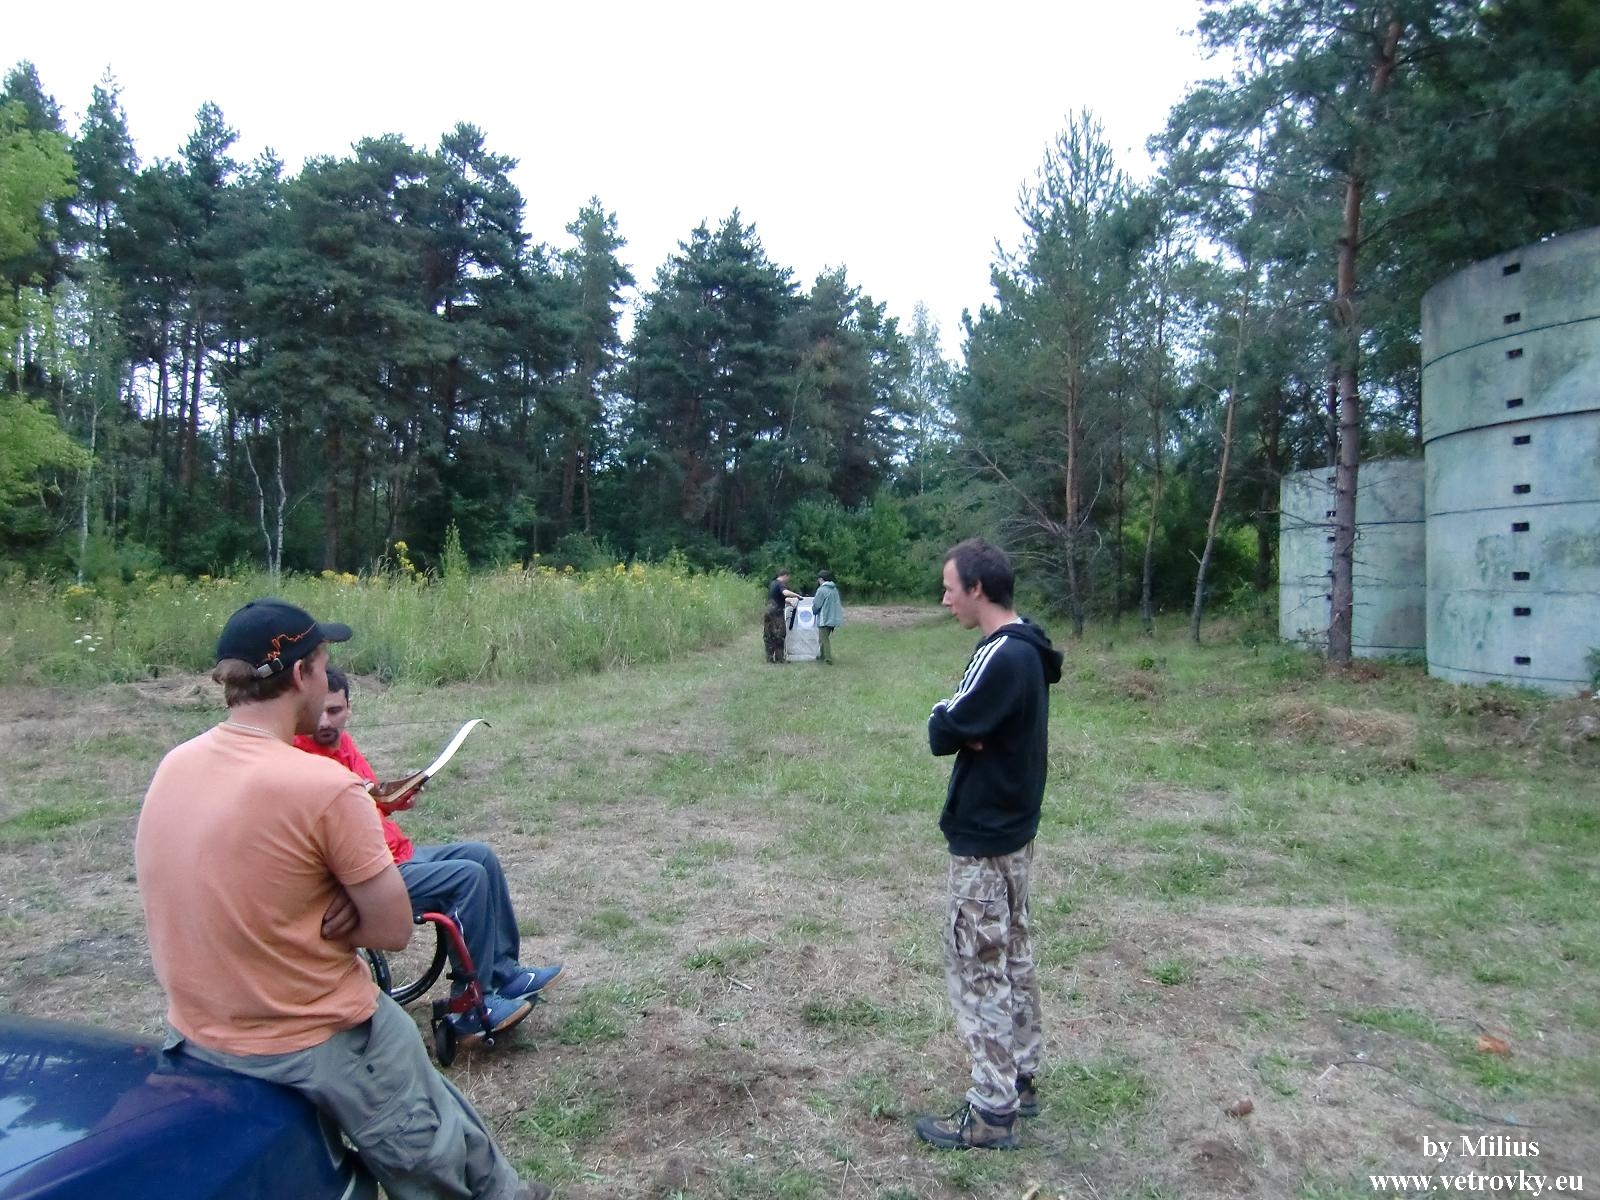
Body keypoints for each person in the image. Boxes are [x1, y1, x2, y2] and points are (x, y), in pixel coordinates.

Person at [135, 598, 551, 1200]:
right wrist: (341, 903)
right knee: (425, 1119)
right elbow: (392, 929)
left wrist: (310, 894)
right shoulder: (324, 785)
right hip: (307, 1034)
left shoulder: (176, 764)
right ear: (302, 673)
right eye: (323, 664)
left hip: (197, 1028)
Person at [295, 665, 563, 1033]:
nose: (326, 721)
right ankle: (470, 1006)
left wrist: (396, 799)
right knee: (468, 878)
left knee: (480, 855)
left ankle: (504, 973)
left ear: (349, 709)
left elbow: (369, 799)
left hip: (395, 852)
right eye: (319, 712)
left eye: (335, 711)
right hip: (371, 870)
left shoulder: (342, 745)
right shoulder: (301, 759)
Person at [914, 540, 1063, 1152]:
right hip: (1015, 832)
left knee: (978, 967)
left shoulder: (1001, 654)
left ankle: (991, 1112)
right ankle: (1020, 1078)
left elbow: (945, 726)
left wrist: (953, 721)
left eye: (950, 588)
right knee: (1013, 956)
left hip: (984, 839)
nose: (945, 599)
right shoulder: (1030, 647)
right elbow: (970, 728)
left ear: (977, 588)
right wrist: (970, 729)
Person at [764, 570, 801, 664]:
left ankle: (769, 658)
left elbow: (778, 598)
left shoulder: (772, 584)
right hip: (777, 613)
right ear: (785, 576)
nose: (788, 580)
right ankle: (780, 658)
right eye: (788, 577)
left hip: (768, 611)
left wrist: (789, 602)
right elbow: (785, 593)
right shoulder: (780, 584)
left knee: (769, 635)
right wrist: (797, 596)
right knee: (780, 635)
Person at [811, 570, 843, 664]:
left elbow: (817, 604)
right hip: (833, 618)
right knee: (823, 638)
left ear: (821, 579)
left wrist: (814, 610)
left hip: (824, 618)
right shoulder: (834, 589)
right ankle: (821, 656)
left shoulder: (821, 590)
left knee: (824, 639)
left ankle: (828, 658)